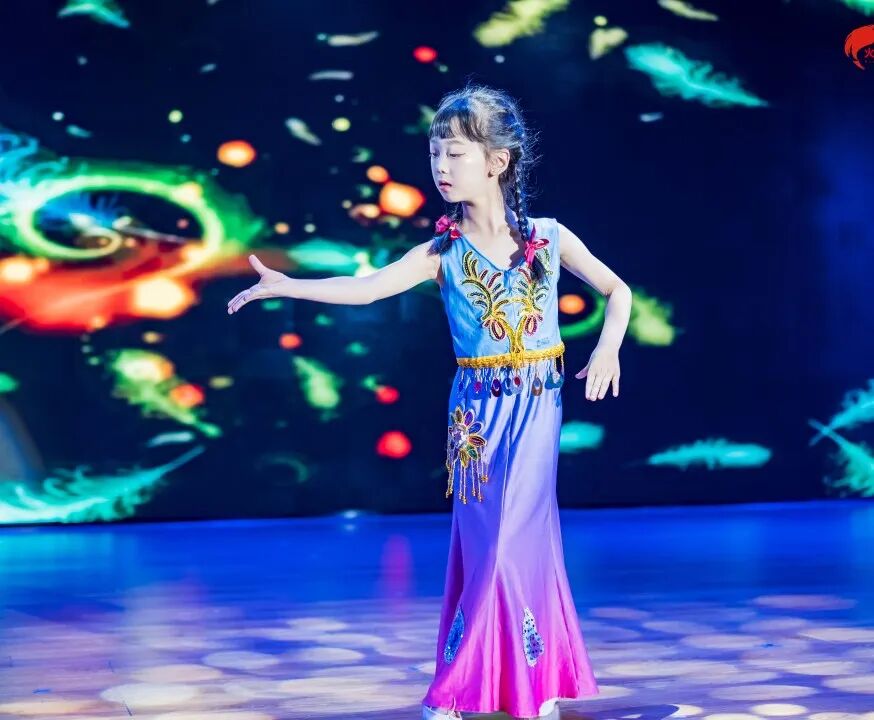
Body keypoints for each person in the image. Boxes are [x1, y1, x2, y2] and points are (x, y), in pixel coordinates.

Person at [227, 84, 632, 720]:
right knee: (486, 545)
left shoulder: (549, 239)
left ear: (497, 161)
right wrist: (290, 287)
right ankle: (491, 683)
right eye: (435, 153)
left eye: (455, 153)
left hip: (537, 407)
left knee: (517, 542)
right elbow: (367, 289)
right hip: (475, 419)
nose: (441, 166)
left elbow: (618, 291)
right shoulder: (441, 252)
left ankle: (519, 682)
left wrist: (607, 349)